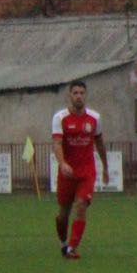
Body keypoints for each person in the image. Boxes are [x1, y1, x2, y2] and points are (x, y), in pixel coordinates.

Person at [51, 81, 108, 260]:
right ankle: (63, 243)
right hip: (67, 173)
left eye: (82, 93)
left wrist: (105, 167)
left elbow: (100, 143)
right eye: (75, 93)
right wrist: (62, 163)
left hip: (86, 172)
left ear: (86, 95)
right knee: (63, 215)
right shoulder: (60, 118)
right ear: (70, 96)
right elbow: (57, 143)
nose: (79, 96)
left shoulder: (94, 118)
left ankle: (72, 248)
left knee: (81, 205)